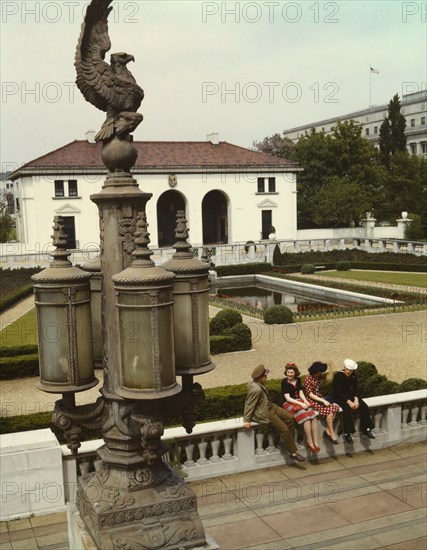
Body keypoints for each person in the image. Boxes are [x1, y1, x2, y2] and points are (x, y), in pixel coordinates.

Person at [243, 364, 306, 462]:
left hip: (270, 406)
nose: (267, 377)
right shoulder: (256, 389)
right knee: (284, 429)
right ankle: (293, 452)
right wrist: (247, 420)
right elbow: (249, 404)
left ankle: (286, 442)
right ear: (260, 377)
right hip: (265, 412)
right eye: (265, 376)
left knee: (290, 418)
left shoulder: (258, 383)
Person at [333, 358, 375, 444]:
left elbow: (355, 387)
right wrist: (349, 402)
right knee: (347, 409)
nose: (348, 372)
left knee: (364, 406)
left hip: (348, 395)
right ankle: (347, 433)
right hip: (338, 396)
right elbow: (339, 391)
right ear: (344, 367)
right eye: (347, 369)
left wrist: (356, 399)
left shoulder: (353, 375)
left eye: (350, 370)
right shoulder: (338, 376)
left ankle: (366, 429)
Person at [282, 363, 319, 453]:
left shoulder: (298, 380)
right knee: (305, 417)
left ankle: (316, 441)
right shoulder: (284, 382)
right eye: (288, 372)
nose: (289, 374)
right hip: (290, 403)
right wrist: (301, 404)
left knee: (312, 416)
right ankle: (309, 441)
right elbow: (288, 398)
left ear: (295, 373)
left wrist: (306, 402)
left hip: (299, 400)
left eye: (291, 372)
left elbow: (301, 393)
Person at [304, 361, 340, 444]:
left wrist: (331, 367)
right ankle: (332, 433)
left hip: (319, 398)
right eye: (319, 372)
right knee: (330, 411)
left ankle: (328, 430)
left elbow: (329, 378)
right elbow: (310, 394)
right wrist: (323, 400)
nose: (320, 373)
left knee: (335, 407)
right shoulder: (308, 379)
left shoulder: (316, 376)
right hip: (312, 401)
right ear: (315, 371)